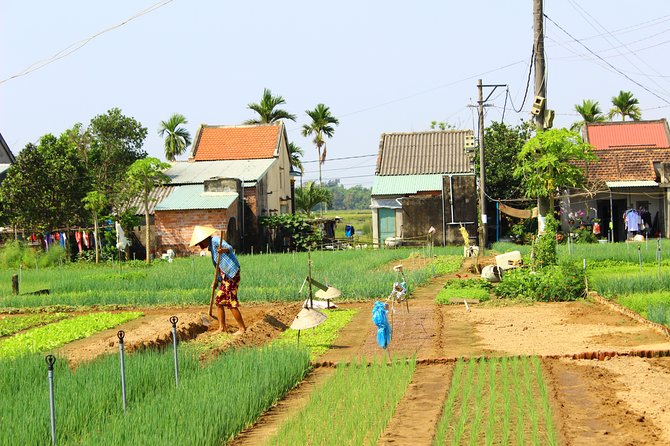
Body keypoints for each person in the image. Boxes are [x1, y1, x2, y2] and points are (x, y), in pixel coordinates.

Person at [189, 225, 246, 335]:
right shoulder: (211, 249)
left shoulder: (215, 241)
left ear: (205, 239)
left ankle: (242, 328)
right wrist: (216, 281)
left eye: (200, 243)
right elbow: (218, 267)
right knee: (219, 300)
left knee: (230, 301)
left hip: (231, 274)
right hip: (225, 276)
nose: (200, 246)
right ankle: (222, 328)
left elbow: (229, 248)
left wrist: (222, 250)